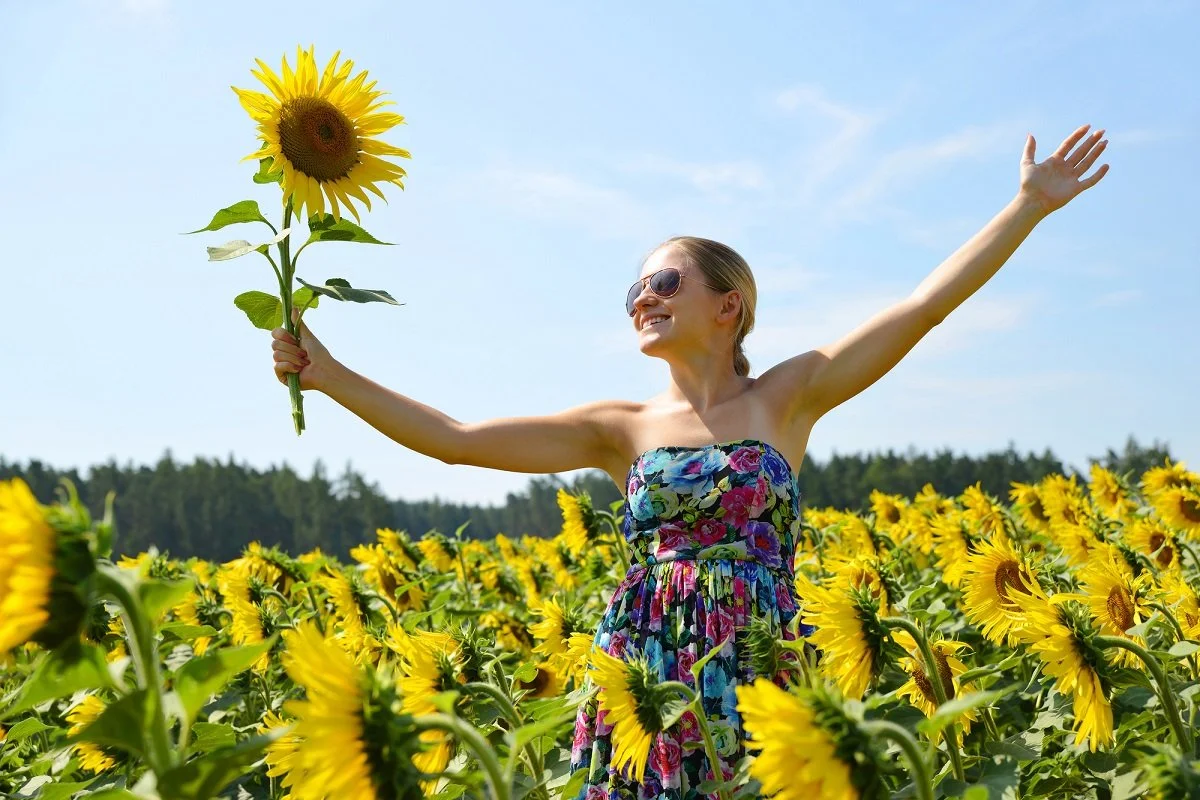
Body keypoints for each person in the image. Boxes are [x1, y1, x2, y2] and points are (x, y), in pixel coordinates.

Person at [271, 124, 1109, 798]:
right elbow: (454, 439)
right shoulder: (618, 428)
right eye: (633, 289)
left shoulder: (789, 397)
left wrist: (1026, 208)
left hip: (761, 662)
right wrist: (332, 375)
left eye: (665, 282)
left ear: (727, 305)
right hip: (643, 669)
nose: (644, 297)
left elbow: (922, 308)